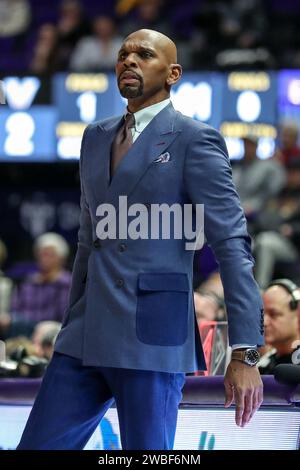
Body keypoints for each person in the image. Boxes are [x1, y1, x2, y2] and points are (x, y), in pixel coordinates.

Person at [18, 29, 264, 451]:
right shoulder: (95, 135)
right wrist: (69, 321)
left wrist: (245, 352)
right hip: (85, 333)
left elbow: (232, 244)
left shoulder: (194, 138)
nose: (129, 61)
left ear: (173, 74)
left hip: (153, 335)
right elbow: (86, 239)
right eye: (123, 54)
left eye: (143, 55)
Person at [259, 279, 300, 374]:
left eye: (273, 314)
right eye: (262, 314)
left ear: (297, 315)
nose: (264, 322)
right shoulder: (262, 366)